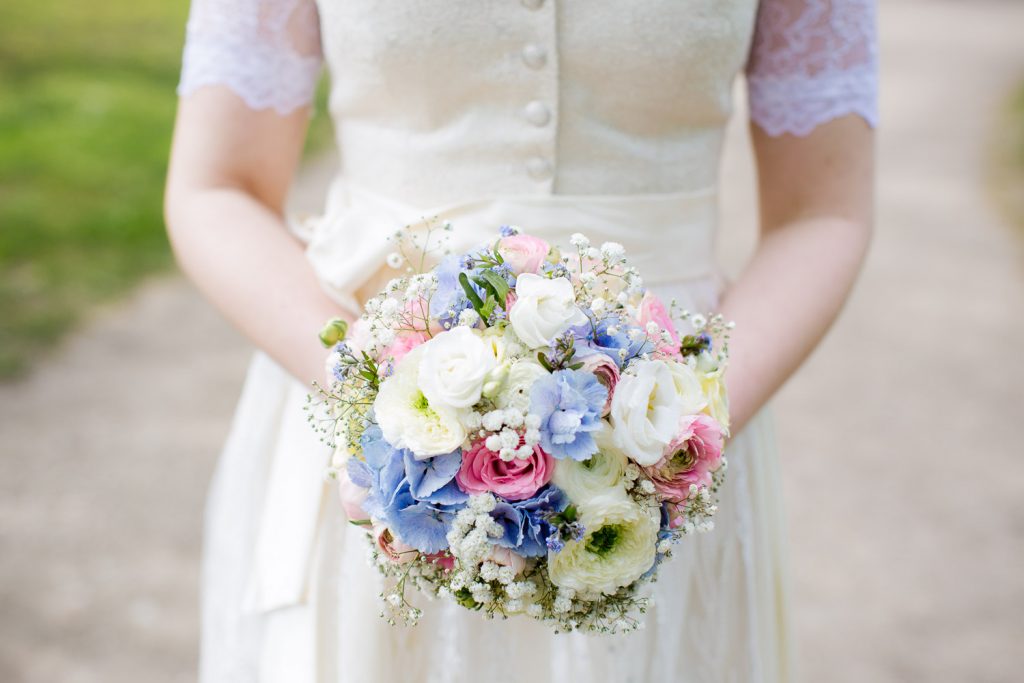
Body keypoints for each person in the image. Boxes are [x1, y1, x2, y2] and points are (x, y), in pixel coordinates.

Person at [164, 1, 876, 681]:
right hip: (375, 448)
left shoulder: (669, 442)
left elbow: (822, 211)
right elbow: (218, 185)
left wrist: (666, 446)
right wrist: (372, 393)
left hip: (669, 424)